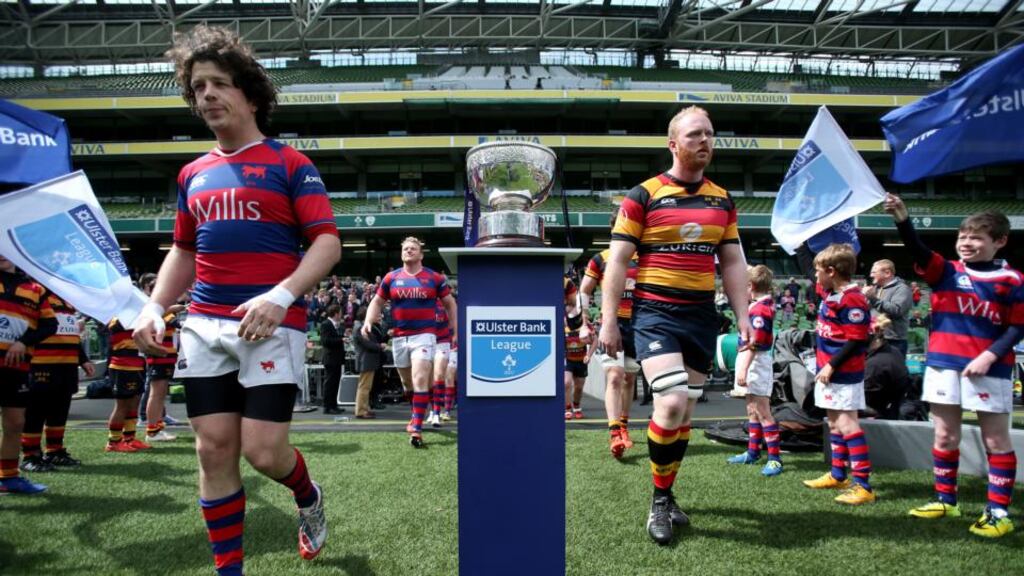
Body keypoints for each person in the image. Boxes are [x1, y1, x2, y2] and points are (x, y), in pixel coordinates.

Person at [134, 25, 340, 572]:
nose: (206, 96)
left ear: (250, 95)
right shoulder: (192, 173)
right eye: (197, 87)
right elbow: (182, 250)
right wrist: (154, 305)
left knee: (265, 453)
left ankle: (308, 497)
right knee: (212, 448)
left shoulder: (290, 164)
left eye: (218, 84)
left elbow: (327, 243)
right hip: (204, 322)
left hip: (273, 323)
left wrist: (281, 294)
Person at [597, 105, 753, 545]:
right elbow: (619, 262)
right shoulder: (642, 195)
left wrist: (743, 316)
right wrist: (608, 320)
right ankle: (659, 500)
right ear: (673, 144)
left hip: (701, 315)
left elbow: (733, 261)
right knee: (670, 402)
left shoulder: (722, 198)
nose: (705, 141)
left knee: (685, 411)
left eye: (710, 134)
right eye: (694, 135)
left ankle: (666, 491)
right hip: (655, 313)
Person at [886, 194, 1020, 538]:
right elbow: (917, 251)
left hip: (990, 368)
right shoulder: (946, 271)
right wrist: (903, 219)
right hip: (943, 364)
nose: (967, 243)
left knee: (995, 439)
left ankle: (999, 512)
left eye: (977, 238)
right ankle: (946, 499)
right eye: (963, 237)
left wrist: (990, 355)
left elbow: (1018, 325)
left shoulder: (1012, 280)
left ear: (999, 241)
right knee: (945, 435)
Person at [799, 244, 876, 506]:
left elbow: (857, 340)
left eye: (820, 271)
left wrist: (831, 365)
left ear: (832, 272)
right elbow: (809, 269)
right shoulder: (831, 291)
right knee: (833, 423)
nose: (815, 276)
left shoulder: (852, 299)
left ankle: (863, 485)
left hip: (842, 372)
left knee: (847, 424)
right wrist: (799, 244)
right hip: (828, 372)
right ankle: (838, 474)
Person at [362, 237, 456, 447]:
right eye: (405, 248)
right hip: (399, 338)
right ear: (401, 253)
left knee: (421, 379)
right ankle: (416, 409)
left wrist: (454, 330)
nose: (409, 251)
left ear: (421, 254)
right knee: (408, 383)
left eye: (413, 248)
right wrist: (368, 321)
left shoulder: (434, 277)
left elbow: (450, 304)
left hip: (424, 335)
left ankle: (416, 427)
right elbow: (377, 301)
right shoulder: (391, 277)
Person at [580, 217, 641, 458]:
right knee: (614, 377)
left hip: (637, 327)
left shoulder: (645, 258)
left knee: (628, 379)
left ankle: (624, 426)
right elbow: (584, 290)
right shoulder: (601, 258)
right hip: (610, 325)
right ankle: (614, 432)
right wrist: (583, 322)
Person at [0, 255, 57, 494]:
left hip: (17, 367)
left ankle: (8, 478)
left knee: (15, 423)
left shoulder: (35, 289)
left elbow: (49, 325)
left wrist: (24, 342)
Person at [21, 293, 94, 471]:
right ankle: (31, 455)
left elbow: (72, 335)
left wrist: (83, 359)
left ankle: (54, 451)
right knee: (36, 411)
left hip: (67, 365)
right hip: (41, 364)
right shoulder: (35, 296)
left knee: (60, 410)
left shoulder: (67, 300)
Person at [726, 265, 783, 477]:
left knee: (763, 410)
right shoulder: (759, 305)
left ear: (750, 286)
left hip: (756, 362)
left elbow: (754, 344)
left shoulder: (760, 309)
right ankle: (753, 451)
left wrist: (743, 369)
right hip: (752, 360)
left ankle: (775, 459)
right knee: (752, 409)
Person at [139, 273, 183, 442]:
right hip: (158, 356)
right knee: (156, 393)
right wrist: (173, 308)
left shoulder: (160, 309)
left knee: (159, 393)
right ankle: (152, 430)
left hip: (164, 356)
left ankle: (156, 427)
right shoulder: (151, 308)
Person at [105, 317, 152, 453]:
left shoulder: (137, 315)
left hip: (137, 363)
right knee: (122, 405)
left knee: (134, 402)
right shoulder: (119, 318)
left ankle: (129, 438)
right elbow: (114, 327)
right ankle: (113, 441)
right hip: (122, 365)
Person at [864, 259, 914, 356]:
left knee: (893, 370)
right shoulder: (875, 288)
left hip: (893, 341)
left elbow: (897, 310)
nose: (871, 275)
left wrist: (873, 299)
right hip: (873, 338)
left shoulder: (902, 289)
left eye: (874, 272)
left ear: (887, 273)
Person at [863, 314, 908, 420]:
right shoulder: (893, 351)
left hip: (880, 416)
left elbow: (866, 402)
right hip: (893, 408)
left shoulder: (874, 365)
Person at [352, 305, 384, 419]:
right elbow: (367, 344)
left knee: (366, 386)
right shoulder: (360, 328)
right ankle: (361, 410)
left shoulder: (363, 326)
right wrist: (379, 346)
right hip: (365, 360)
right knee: (364, 387)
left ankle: (364, 408)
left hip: (367, 360)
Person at [429, 297, 455, 425]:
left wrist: (454, 337)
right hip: (425, 342)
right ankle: (432, 409)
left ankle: (437, 413)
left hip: (442, 342)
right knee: (427, 380)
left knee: (439, 375)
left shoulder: (445, 304)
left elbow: (453, 323)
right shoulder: (420, 302)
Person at [319, 304, 345, 415]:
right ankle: (327, 406)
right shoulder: (326, 324)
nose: (341, 315)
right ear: (335, 314)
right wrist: (341, 340)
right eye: (340, 312)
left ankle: (333, 405)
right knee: (330, 383)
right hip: (330, 358)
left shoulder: (336, 325)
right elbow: (325, 341)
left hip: (336, 358)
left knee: (335, 383)